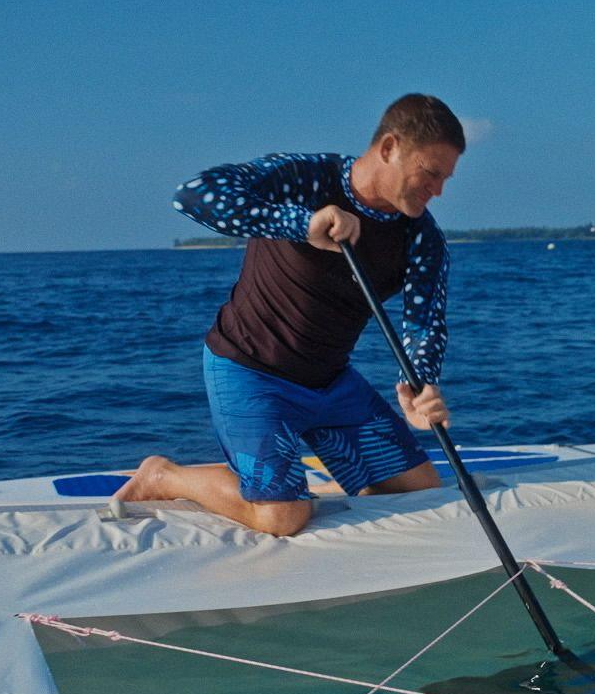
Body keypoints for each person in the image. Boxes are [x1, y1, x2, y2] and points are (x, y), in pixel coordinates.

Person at [115, 94, 464, 536]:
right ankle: (164, 476)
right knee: (282, 518)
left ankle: (295, 487)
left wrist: (421, 384)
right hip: (250, 371)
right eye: (431, 173)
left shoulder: (422, 237)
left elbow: (424, 321)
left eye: (446, 179)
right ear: (390, 147)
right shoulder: (305, 178)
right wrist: (301, 223)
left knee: (419, 491)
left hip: (331, 382)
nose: (438, 191)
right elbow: (194, 196)